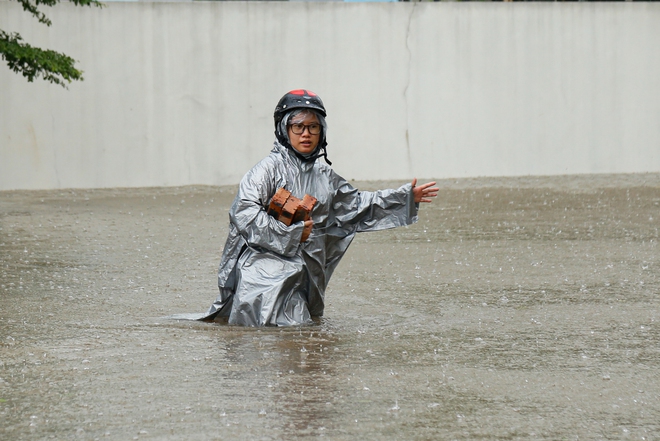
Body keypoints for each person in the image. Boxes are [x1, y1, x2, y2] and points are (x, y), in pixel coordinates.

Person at [200, 89, 438, 326]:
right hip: (264, 277)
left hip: (306, 274)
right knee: (272, 344)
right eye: (298, 127)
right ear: (284, 129)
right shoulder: (266, 170)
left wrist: (404, 198)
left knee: (305, 344)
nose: (306, 134)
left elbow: (355, 206)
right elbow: (244, 213)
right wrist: (291, 233)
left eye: (313, 127)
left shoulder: (324, 174)